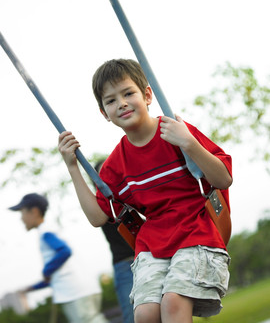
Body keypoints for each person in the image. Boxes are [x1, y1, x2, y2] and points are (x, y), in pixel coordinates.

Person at [58, 58, 233, 323]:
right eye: (111, 100)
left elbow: (224, 179)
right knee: (145, 313)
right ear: (104, 113)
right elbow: (97, 218)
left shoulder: (176, 132)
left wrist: (190, 144)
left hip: (198, 232)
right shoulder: (116, 164)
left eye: (128, 93)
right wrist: (72, 167)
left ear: (148, 95)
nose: (122, 103)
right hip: (154, 244)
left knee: (173, 301)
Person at [9, 193, 109, 323]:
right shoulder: (46, 231)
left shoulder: (45, 232)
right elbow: (54, 276)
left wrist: (46, 270)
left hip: (76, 292)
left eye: (22, 213)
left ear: (34, 211)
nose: (21, 219)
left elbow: (64, 251)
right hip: (79, 290)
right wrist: (30, 288)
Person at [94, 159, 134, 323]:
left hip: (151, 257)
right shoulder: (100, 204)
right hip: (125, 265)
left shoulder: (133, 191)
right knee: (133, 317)